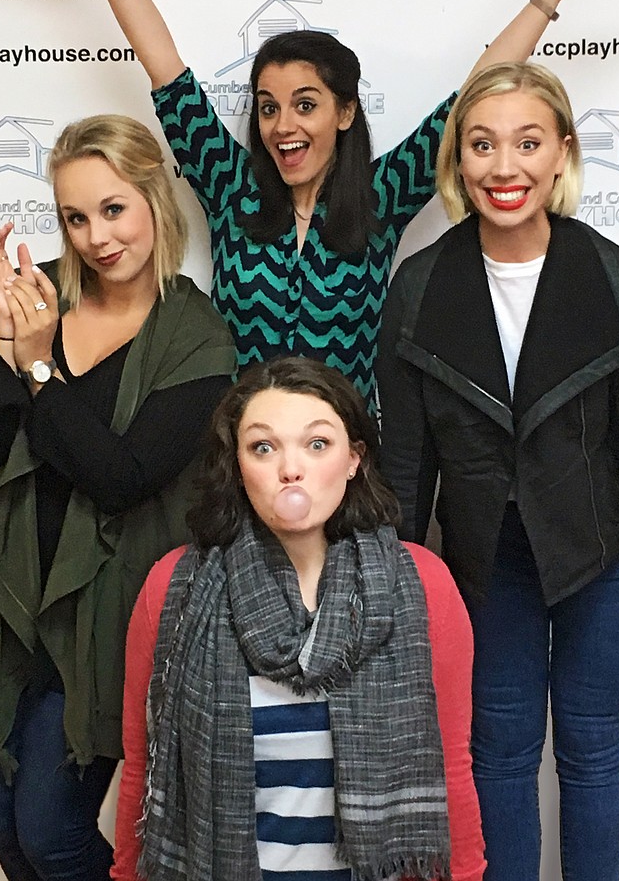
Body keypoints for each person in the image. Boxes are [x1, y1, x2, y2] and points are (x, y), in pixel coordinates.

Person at [9, 0, 619, 411]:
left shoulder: (381, 196)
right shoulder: (233, 189)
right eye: (268, 108)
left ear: (344, 113)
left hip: (345, 453)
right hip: (240, 450)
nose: (283, 125)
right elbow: (165, 68)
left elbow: (472, 101)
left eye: (305, 105)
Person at [375, 62, 619, 881]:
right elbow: (407, 458)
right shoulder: (420, 288)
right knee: (496, 752)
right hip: (484, 562)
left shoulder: (618, 278)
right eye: (484, 145)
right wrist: (393, 585)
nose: (506, 168)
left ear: (562, 152)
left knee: (594, 747)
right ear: (457, 161)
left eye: (528, 143)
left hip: (607, 558)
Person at [0, 115, 236, 881]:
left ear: (154, 203)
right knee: (3, 828)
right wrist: (4, 343)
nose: (97, 237)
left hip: (101, 617)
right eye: (75, 216)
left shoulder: (197, 336)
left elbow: (122, 479)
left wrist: (40, 372)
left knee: (52, 831)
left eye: (113, 209)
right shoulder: (32, 303)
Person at [112, 356, 486, 881]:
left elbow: (451, 769)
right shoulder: (174, 587)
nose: (291, 469)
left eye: (317, 444)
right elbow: (141, 772)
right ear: (238, 468)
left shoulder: (421, 585)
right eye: (263, 447)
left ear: (354, 458)